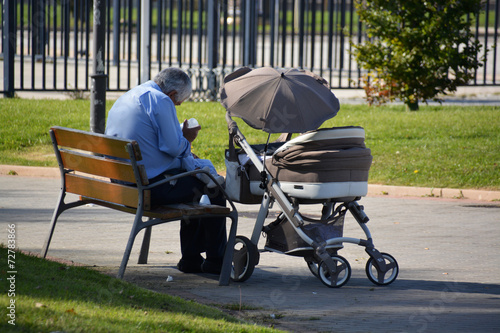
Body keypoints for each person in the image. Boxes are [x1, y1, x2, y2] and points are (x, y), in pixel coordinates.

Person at [105, 67, 227, 274]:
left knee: (193, 183)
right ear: (171, 95)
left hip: (121, 184)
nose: (177, 106)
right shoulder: (161, 100)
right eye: (178, 102)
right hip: (146, 189)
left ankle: (192, 259)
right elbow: (172, 147)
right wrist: (186, 139)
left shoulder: (132, 95)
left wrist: (180, 143)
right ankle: (214, 260)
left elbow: (151, 141)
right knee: (212, 186)